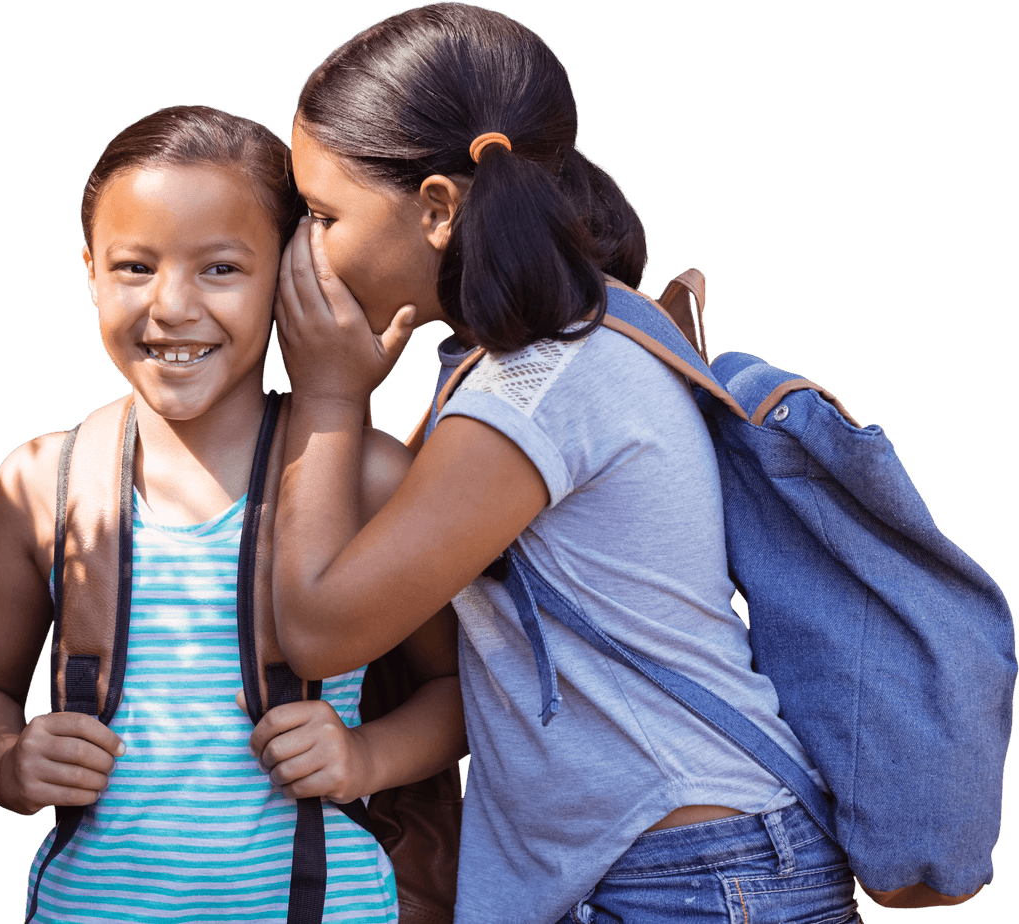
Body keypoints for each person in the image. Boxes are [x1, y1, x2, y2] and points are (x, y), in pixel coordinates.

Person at [269, 4, 863, 924]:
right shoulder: (569, 348)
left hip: (694, 878)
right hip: (686, 867)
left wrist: (328, 396)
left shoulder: (536, 389)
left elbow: (318, 627)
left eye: (322, 213)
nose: (303, 250)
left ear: (436, 208)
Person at [0, 105, 466, 924]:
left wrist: (364, 754)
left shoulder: (366, 475)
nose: (172, 306)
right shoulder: (41, 481)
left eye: (220, 268)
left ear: (296, 271)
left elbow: (462, 690)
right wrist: (7, 757)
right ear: (88, 272)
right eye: (133, 267)